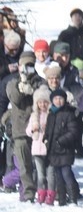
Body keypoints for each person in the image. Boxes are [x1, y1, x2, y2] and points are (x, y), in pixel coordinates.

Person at [6, 51, 43, 202]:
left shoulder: (40, 81)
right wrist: (22, 83)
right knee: (24, 166)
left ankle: (41, 192)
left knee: (39, 165)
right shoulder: (12, 82)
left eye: (31, 65)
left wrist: (35, 89)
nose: (28, 68)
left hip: (38, 129)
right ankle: (28, 195)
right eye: (26, 65)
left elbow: (45, 95)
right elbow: (14, 98)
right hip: (20, 130)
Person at [43, 89, 81, 205]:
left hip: (65, 150)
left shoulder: (69, 113)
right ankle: (62, 199)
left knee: (66, 173)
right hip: (53, 151)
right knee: (58, 175)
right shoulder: (51, 114)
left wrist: (61, 141)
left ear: (65, 100)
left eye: (61, 99)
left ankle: (73, 197)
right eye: (55, 99)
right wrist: (45, 138)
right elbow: (49, 130)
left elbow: (73, 131)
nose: (58, 101)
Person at [26, 88, 54, 204]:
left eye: (45, 102)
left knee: (51, 175)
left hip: (50, 150)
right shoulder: (34, 116)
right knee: (41, 175)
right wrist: (33, 130)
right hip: (37, 150)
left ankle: (51, 195)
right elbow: (27, 131)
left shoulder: (52, 115)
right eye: (40, 102)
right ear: (36, 103)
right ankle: (41, 193)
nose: (43, 105)